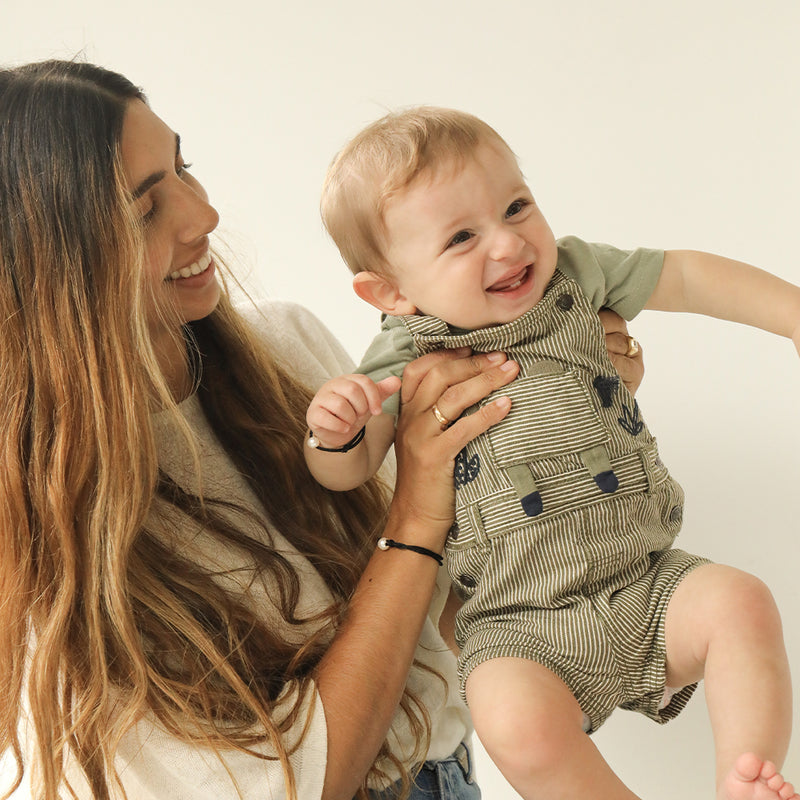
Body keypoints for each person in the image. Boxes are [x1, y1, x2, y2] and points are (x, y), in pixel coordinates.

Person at [0, 59, 647, 800]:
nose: (202, 215)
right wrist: (416, 513)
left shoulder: (288, 349)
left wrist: (564, 396)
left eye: (185, 167)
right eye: (145, 208)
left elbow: (461, 596)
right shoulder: (38, 533)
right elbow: (300, 785)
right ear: (47, 263)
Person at [304, 106, 800, 800]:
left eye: (516, 206)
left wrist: (793, 317)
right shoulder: (404, 355)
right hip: (518, 626)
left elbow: (686, 277)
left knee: (742, 603)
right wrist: (336, 434)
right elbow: (349, 470)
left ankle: (747, 778)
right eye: (462, 237)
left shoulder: (576, 274)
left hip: (645, 580)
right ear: (391, 291)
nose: (508, 245)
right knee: (511, 720)